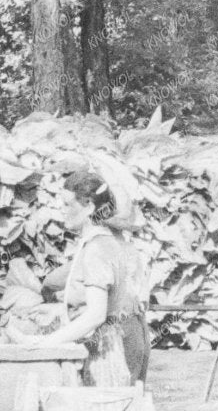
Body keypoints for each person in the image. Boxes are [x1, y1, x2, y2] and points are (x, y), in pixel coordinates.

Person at [58, 160, 149, 386]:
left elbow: (96, 315)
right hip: (128, 336)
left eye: (67, 204)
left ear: (88, 206)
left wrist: (46, 343)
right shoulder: (112, 240)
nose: (62, 210)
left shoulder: (97, 249)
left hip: (110, 349)